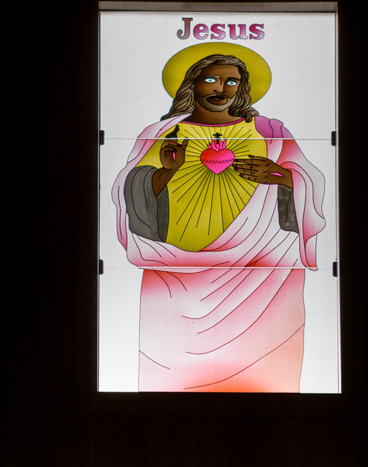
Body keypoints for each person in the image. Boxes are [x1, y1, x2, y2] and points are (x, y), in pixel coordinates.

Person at [112, 51, 326, 392]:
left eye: (231, 82)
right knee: (170, 375)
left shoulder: (269, 131)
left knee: (265, 368)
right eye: (211, 79)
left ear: (242, 88)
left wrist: (281, 177)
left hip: (256, 272)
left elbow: (306, 179)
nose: (221, 89)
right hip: (175, 273)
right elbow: (132, 188)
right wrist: (166, 171)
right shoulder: (165, 131)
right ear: (192, 83)